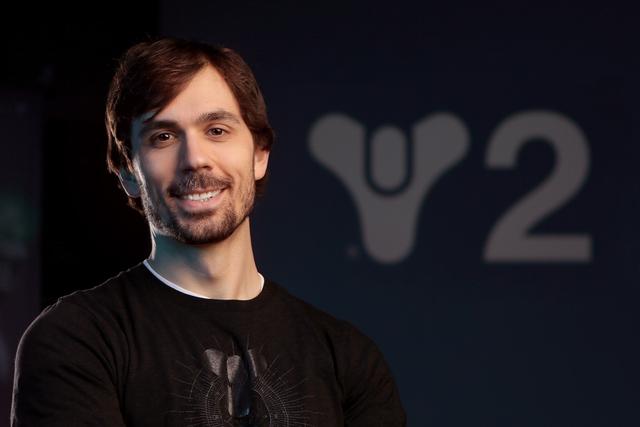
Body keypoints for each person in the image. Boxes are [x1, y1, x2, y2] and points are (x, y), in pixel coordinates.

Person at [11, 37, 406, 426]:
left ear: (259, 155)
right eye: (163, 137)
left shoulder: (348, 358)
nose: (195, 159)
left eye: (217, 130)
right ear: (128, 172)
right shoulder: (77, 340)